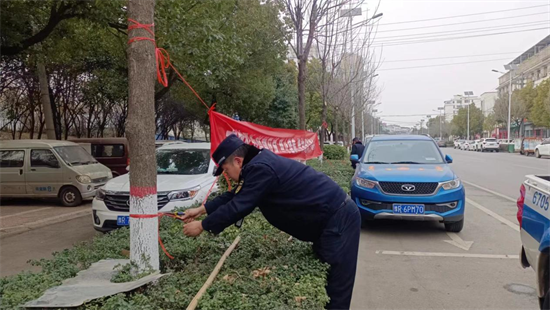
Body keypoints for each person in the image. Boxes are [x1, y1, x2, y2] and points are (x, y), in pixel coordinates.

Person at [182, 134, 361, 310]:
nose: (227, 175)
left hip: (339, 220)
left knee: (336, 291)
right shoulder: (256, 166)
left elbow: (239, 206)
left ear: (237, 161)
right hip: (329, 222)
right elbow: (235, 195)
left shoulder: (261, 169)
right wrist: (201, 210)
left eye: (226, 170)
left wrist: (202, 225)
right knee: (329, 282)